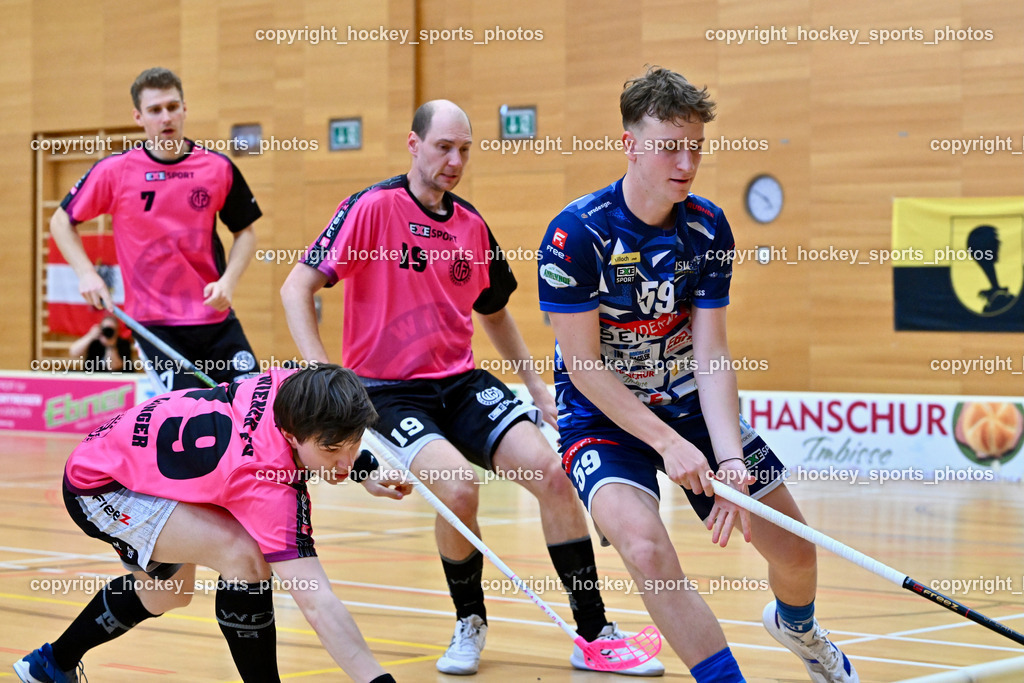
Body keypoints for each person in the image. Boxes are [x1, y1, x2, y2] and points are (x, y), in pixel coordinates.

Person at [280, 100, 663, 677]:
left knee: (555, 476)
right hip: (385, 393)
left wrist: (535, 385)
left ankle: (595, 634)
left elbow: (496, 313)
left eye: (465, 149)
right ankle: (470, 620)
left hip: (460, 383)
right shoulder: (372, 208)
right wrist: (324, 377)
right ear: (413, 145)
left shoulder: (471, 225)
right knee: (458, 491)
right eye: (443, 147)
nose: (455, 160)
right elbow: (296, 287)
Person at [536, 66, 858, 683]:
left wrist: (730, 458)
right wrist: (665, 443)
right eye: (669, 147)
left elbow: (711, 353)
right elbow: (583, 367)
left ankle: (800, 630)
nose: (686, 162)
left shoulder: (707, 227)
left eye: (696, 147)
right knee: (646, 548)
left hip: (688, 405)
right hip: (603, 417)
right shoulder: (575, 234)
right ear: (631, 144)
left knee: (794, 549)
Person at [14, 363, 409, 683]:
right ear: (291, 433)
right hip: (102, 485)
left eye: (353, 444)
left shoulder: (293, 383)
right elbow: (317, 602)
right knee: (245, 556)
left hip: (137, 461)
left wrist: (361, 468)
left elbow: (331, 430)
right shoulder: (266, 484)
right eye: (332, 450)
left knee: (166, 594)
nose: (346, 457)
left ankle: (48, 665)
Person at [50, 66, 261, 391]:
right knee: (191, 420)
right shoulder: (115, 172)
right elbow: (62, 221)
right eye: (155, 110)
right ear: (139, 117)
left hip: (215, 319)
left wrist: (228, 282)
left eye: (173, 107)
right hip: (155, 326)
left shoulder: (217, 168)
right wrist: (85, 273)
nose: (166, 117)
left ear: (184, 109)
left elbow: (245, 232)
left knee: (254, 406)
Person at [68, 314, 134, 373]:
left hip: (116, 379)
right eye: (106, 329)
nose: (108, 332)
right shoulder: (94, 341)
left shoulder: (123, 344)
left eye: (111, 329)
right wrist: (90, 336)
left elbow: (113, 368)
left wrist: (110, 346)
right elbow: (73, 352)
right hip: (93, 377)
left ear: (117, 331)